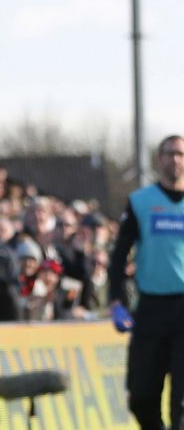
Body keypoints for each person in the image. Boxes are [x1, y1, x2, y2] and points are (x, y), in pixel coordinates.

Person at [109, 135, 184, 430]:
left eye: (180, 154)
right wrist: (116, 300)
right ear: (159, 159)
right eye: (169, 153)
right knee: (140, 397)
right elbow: (118, 255)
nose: (175, 160)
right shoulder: (141, 202)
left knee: (181, 403)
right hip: (151, 309)